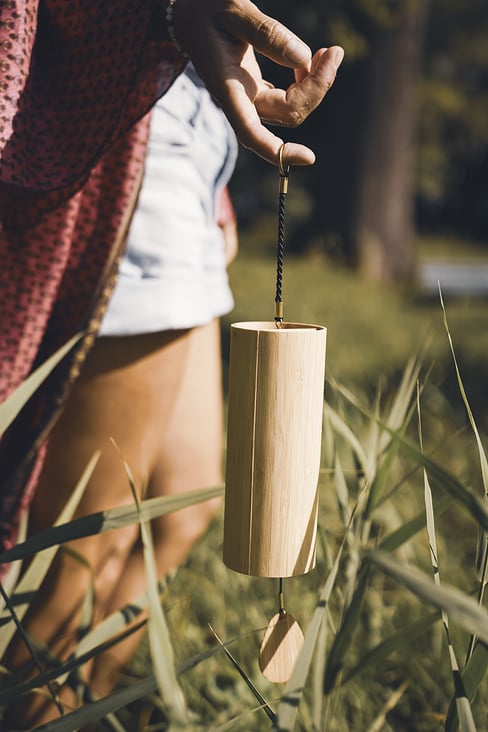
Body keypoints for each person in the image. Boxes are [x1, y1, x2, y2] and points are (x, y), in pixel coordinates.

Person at [0, 0, 344, 724]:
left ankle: (88, 703)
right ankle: (36, 709)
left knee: (184, 510)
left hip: (189, 161)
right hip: (126, 162)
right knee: (87, 550)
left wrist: (214, 188)